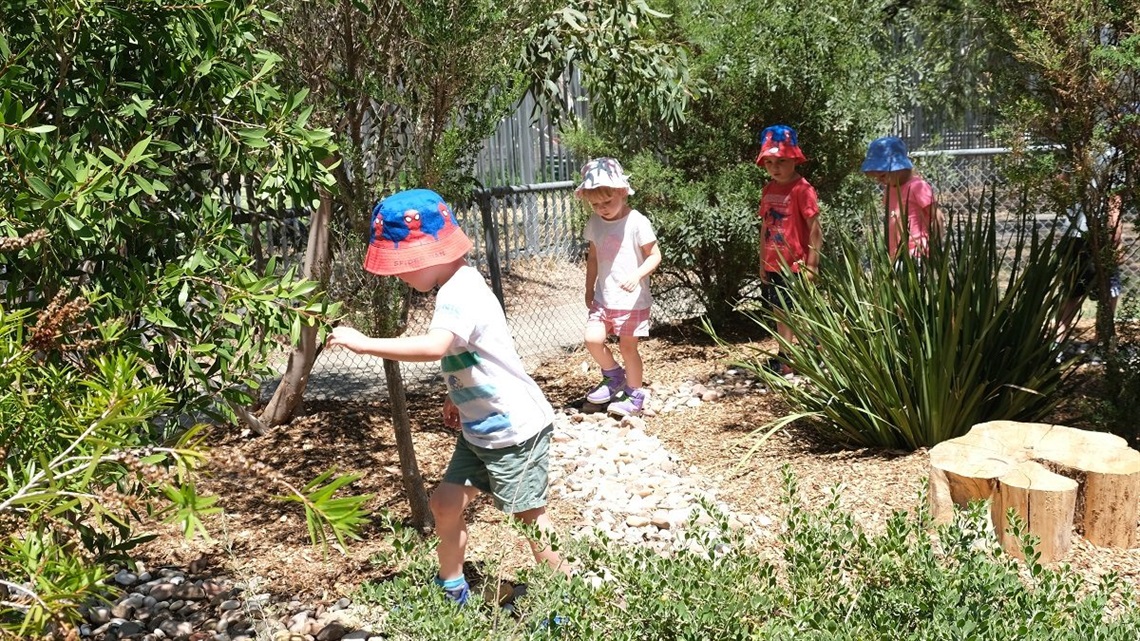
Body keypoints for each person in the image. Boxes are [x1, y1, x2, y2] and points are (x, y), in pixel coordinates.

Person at [325, 188, 566, 605]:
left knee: (530, 518)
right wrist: (455, 394)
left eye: (400, 267)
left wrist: (365, 343)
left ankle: (564, 601)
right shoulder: (457, 286)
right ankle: (452, 584)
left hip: (513, 430)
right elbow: (469, 353)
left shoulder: (460, 291)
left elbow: (437, 346)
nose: (398, 276)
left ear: (426, 254)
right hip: (481, 428)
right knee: (446, 501)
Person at [576, 157, 662, 417]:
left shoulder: (637, 222)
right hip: (604, 297)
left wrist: (637, 276)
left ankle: (634, 394)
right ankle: (613, 375)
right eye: (595, 204)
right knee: (592, 339)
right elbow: (592, 258)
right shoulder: (595, 223)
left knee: (628, 348)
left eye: (607, 201)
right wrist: (589, 288)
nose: (602, 208)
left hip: (631, 300)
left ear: (622, 192)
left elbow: (655, 255)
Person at [755, 125, 822, 376]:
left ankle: (800, 353)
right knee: (779, 310)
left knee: (798, 311)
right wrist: (762, 261)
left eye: (781, 160)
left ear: (794, 158)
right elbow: (765, 227)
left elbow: (815, 228)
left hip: (796, 265)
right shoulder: (769, 189)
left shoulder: (802, 189)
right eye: (769, 161)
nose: (774, 167)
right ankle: (786, 355)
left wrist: (813, 263)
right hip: (774, 263)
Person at [860, 135, 944, 261]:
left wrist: (936, 249)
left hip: (916, 252)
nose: (879, 181)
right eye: (876, 177)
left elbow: (938, 217)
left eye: (882, 175)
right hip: (895, 252)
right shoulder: (890, 188)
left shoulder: (918, 187)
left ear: (899, 168)